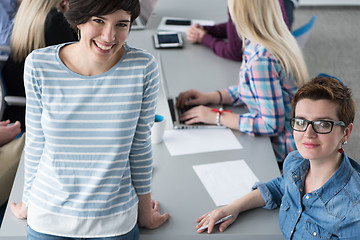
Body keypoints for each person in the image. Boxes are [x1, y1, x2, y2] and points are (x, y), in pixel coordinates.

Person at [10, 0, 170, 239]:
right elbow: (36, 142)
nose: (109, 36)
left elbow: (139, 147)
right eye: (99, 21)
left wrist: (144, 213)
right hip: (48, 218)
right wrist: (27, 202)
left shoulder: (143, 67)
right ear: (79, 20)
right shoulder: (39, 64)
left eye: (121, 25)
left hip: (114, 222)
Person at [195, 75, 360, 239]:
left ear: (345, 133)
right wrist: (232, 208)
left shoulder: (353, 209)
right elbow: (280, 187)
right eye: (301, 122)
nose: (308, 134)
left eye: (323, 124)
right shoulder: (295, 162)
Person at [177, 0, 308, 163]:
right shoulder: (264, 41)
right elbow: (253, 90)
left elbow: (271, 125)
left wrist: (217, 117)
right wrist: (213, 97)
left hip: (281, 154)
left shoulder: (262, 61)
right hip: (283, 140)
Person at [1, 0, 77, 131]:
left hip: (15, 114)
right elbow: (79, 71)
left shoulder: (28, 18)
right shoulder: (55, 21)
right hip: (36, 120)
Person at [186, 0, 289, 61]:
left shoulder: (239, 3)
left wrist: (203, 38)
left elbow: (235, 52)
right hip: (281, 54)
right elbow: (241, 26)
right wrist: (208, 30)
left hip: (262, 64)